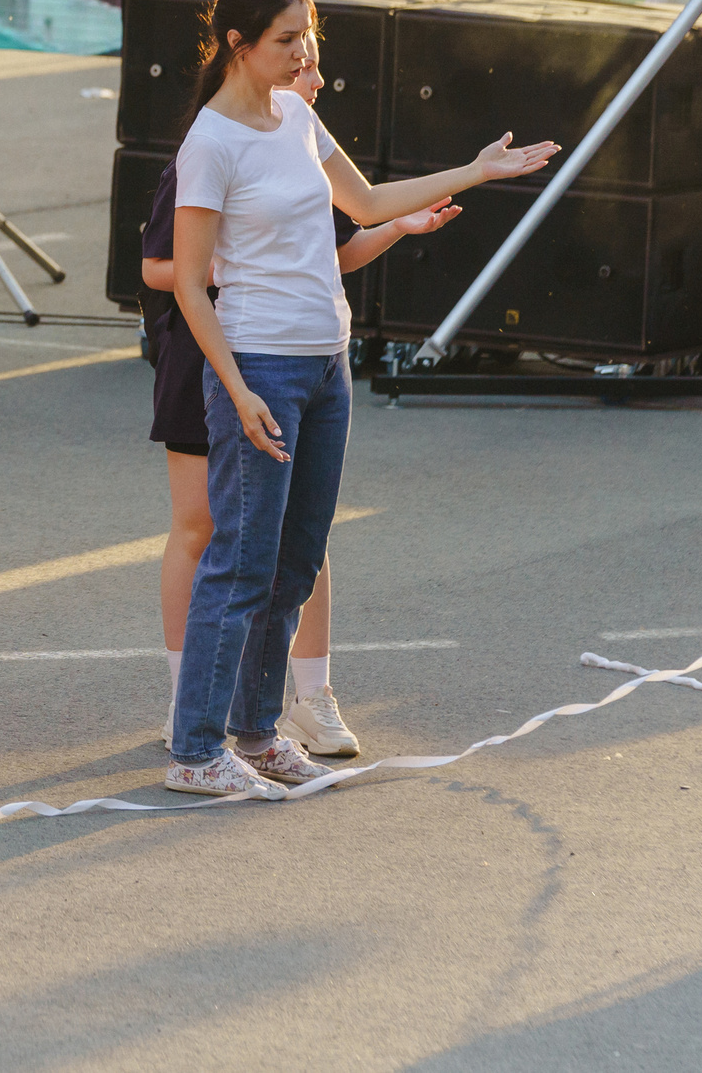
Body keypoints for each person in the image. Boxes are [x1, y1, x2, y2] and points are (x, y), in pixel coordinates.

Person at [165, 0, 557, 797]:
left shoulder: (298, 117)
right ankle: (196, 748)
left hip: (326, 364)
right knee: (241, 563)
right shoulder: (211, 141)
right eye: (286, 40)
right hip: (260, 365)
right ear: (237, 44)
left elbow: (369, 202)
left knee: (296, 561)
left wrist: (475, 170)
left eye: (306, 37)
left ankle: (257, 731)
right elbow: (192, 284)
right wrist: (237, 389)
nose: (302, 54)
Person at [139, 46, 461, 757]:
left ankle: (300, 703)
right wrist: (237, 268)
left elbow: (341, 239)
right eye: (297, 54)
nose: (311, 76)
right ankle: (192, 715)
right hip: (221, 355)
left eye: (315, 59)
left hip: (302, 358)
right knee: (214, 535)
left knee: (297, 545)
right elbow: (167, 268)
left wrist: (405, 220)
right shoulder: (210, 145)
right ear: (243, 47)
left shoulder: (298, 133)